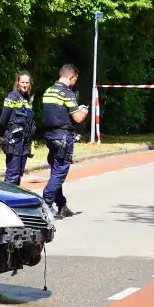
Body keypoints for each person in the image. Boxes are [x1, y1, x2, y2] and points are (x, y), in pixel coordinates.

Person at [41, 64, 88, 219]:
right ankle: (46, 203)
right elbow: (78, 118)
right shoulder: (67, 94)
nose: (75, 82)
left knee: (56, 171)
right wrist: (84, 111)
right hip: (63, 137)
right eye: (75, 79)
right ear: (71, 76)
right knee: (60, 171)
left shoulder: (48, 91)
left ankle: (61, 205)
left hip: (50, 136)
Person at [0, 71, 36, 185]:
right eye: (22, 82)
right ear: (17, 82)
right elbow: (2, 121)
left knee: (18, 175)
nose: (25, 84)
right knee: (12, 176)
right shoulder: (12, 97)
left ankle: (16, 201)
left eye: (27, 82)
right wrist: (2, 136)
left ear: (30, 84)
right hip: (13, 142)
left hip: (24, 143)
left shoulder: (27, 99)